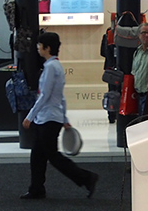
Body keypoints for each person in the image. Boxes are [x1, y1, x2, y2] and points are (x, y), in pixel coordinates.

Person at [20, 31, 98, 200]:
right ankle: (36, 188)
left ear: (47, 48)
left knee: (52, 156)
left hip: (48, 118)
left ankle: (86, 178)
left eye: (40, 45)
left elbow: (45, 95)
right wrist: (64, 118)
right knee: (38, 156)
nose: (38, 48)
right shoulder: (56, 66)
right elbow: (60, 96)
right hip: (49, 117)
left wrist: (30, 116)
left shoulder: (50, 67)